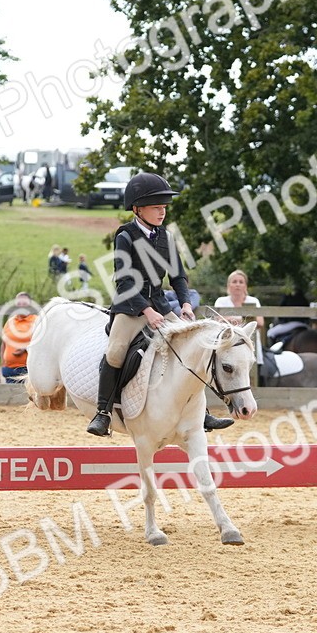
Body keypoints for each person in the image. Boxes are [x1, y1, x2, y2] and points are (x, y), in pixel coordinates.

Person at [86, 173, 233, 436]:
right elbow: (125, 281)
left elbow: (178, 276)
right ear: (137, 209)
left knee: (192, 348)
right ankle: (103, 413)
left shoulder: (166, 237)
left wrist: (186, 304)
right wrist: (147, 310)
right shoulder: (125, 237)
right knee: (117, 351)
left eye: (164, 207)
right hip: (130, 306)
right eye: (156, 207)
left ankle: (203, 414)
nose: (162, 212)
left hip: (161, 305)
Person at [214, 270, 265, 369]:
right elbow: (219, 321)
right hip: (227, 343)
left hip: (250, 342)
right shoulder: (221, 301)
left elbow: (259, 322)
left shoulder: (253, 301)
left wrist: (229, 319)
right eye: (234, 281)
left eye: (241, 282)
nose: (238, 284)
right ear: (229, 285)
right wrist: (245, 319)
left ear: (245, 286)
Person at [1, 292, 37, 383]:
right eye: (19, 303)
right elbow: (4, 344)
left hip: (27, 370)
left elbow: (43, 343)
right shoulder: (10, 321)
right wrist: (3, 363)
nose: (21, 306)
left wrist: (25, 348)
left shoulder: (37, 321)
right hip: (9, 370)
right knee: (10, 396)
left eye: (24, 303)